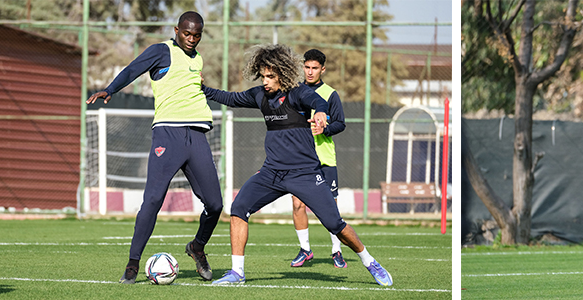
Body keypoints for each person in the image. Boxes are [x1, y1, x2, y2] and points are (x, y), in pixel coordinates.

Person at [201, 44, 392, 286]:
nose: (266, 81)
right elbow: (230, 98)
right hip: (272, 173)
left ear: (282, 72)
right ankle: (237, 272)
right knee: (238, 208)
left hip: (305, 173)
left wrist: (322, 114)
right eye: (263, 76)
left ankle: (369, 261)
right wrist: (202, 88)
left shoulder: (298, 93)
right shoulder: (259, 95)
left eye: (271, 76)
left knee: (335, 224)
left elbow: (317, 101)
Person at [86, 11, 222, 284]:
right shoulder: (162, 51)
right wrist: (110, 89)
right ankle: (133, 264)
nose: (192, 39)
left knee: (215, 204)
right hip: (167, 135)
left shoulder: (198, 60)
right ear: (176, 30)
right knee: (152, 200)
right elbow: (133, 69)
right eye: (187, 33)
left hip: (197, 136)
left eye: (197, 35)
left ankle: (197, 247)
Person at [288, 49, 348, 269]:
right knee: (297, 204)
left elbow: (340, 123)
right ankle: (305, 249)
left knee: (330, 205)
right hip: (299, 159)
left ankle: (336, 250)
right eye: (307, 67)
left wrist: (324, 130)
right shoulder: (294, 91)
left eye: (315, 68)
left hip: (324, 158)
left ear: (323, 69)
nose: (310, 72)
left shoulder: (330, 94)